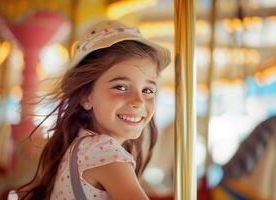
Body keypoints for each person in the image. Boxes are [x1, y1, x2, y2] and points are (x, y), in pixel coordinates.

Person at [16, 19, 171, 200]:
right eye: (120, 87)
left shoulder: (82, 146)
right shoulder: (104, 152)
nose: (138, 101)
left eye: (147, 90)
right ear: (85, 97)